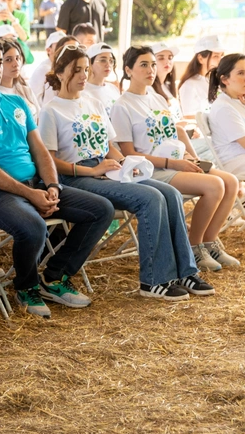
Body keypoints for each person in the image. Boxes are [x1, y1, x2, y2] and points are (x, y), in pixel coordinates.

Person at [0, 38, 114, 318]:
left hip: (34, 186)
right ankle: (26, 286)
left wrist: (52, 186)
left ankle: (55, 276)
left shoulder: (17, 103)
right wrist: (31, 195)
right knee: (34, 226)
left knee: (101, 210)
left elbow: (39, 151)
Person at [38, 45, 215, 300]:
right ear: (59, 72)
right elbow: (50, 162)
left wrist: (126, 164)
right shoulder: (51, 110)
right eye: (76, 70)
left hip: (106, 169)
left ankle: (185, 271)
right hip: (76, 177)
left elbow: (109, 146)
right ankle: (154, 280)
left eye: (86, 69)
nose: (83, 75)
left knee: (170, 193)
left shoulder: (94, 103)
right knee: (150, 198)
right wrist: (92, 170)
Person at [111, 46, 240, 271]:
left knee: (231, 181)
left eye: (153, 64)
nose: (151, 70)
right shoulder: (122, 106)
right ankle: (193, 247)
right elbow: (129, 154)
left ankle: (209, 243)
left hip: (176, 161)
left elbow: (175, 133)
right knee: (215, 185)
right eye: (144, 65)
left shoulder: (157, 98)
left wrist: (189, 155)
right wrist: (173, 163)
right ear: (128, 70)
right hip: (151, 170)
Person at [208, 53, 245, 179]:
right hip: (236, 162)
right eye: (241, 73)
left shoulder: (237, 102)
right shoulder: (224, 107)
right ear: (225, 80)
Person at [179, 35, 224, 119]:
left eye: (221, 56)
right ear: (200, 58)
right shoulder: (189, 85)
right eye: (216, 56)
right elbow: (188, 118)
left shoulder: (218, 81)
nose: (220, 60)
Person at [0, 40, 39, 121]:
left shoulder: (25, 89)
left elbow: (40, 116)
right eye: (8, 60)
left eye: (17, 58)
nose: (16, 64)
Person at [83, 43, 122, 116]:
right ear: (90, 63)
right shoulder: (83, 92)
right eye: (103, 60)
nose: (108, 65)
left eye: (111, 61)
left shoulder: (113, 89)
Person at [28, 31, 68, 101]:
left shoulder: (61, 67)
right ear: (49, 50)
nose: (63, 50)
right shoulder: (45, 69)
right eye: (59, 47)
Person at [151, 42, 181, 119]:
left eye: (170, 58)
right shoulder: (149, 90)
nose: (167, 61)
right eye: (161, 58)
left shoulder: (168, 86)